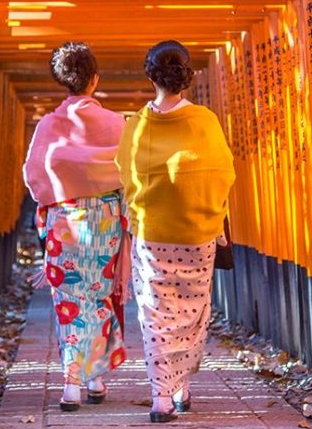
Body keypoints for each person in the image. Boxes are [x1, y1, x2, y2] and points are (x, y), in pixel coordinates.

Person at [116, 40, 236, 423]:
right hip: (197, 233)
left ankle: (161, 397)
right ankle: (180, 386)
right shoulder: (204, 121)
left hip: (152, 234)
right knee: (192, 314)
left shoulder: (136, 124)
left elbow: (126, 175)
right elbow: (222, 173)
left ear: (150, 75)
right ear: (186, 76)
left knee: (156, 314)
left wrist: (136, 217)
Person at [22, 42, 128, 411]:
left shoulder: (49, 125)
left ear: (61, 80)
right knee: (98, 295)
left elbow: (34, 175)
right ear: (95, 80)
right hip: (105, 220)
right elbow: (130, 172)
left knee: (69, 300)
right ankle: (93, 376)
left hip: (64, 220)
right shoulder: (117, 123)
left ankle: (73, 383)